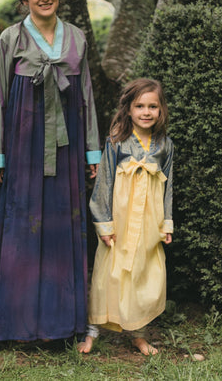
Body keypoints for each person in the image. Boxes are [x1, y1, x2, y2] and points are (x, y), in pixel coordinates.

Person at [0, 0, 101, 343]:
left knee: (62, 227)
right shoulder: (11, 39)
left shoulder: (77, 38)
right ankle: (20, 325)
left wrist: (92, 152)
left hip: (65, 147)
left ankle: (58, 324)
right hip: (22, 147)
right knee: (22, 228)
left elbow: (86, 98)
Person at [78, 78, 173, 355]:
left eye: (152, 106)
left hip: (148, 222)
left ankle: (138, 333)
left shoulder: (165, 146)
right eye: (139, 106)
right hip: (119, 222)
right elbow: (104, 184)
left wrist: (166, 223)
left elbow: (169, 187)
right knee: (109, 274)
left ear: (161, 110)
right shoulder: (117, 142)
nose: (146, 112)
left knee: (144, 276)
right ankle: (92, 332)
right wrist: (104, 224)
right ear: (128, 110)